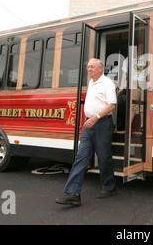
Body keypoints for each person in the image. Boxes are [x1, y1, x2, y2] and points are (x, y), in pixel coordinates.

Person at [56, 58, 117, 206]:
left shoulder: (107, 83)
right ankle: (73, 193)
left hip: (102, 124)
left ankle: (109, 187)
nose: (89, 69)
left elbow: (111, 105)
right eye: (88, 67)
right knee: (80, 157)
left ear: (100, 69)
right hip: (88, 124)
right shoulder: (90, 83)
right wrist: (88, 119)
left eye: (92, 67)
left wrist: (95, 117)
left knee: (104, 157)